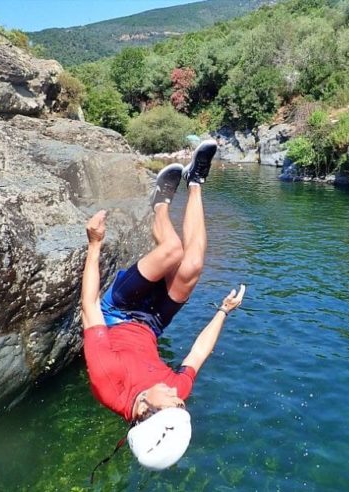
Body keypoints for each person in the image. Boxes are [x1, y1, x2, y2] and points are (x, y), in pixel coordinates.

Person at [81, 140, 245, 471]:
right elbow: (198, 354)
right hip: (153, 324)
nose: (178, 396)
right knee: (193, 265)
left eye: (173, 404)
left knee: (172, 249)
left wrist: (95, 244)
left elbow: (89, 308)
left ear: (144, 411)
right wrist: (223, 311)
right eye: (181, 406)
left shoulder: (107, 383)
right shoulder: (172, 396)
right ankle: (196, 181)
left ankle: (159, 203)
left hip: (118, 312)